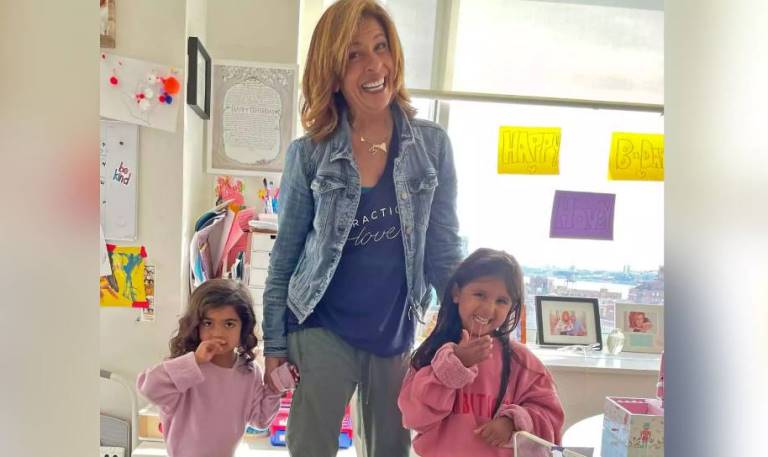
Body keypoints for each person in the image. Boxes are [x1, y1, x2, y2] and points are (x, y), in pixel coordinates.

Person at [261, 1, 463, 456]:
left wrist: (461, 327)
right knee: (311, 448)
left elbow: (443, 249)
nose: (375, 66)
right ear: (331, 70)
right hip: (319, 325)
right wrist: (273, 342)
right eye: (354, 55)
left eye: (380, 47)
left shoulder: (431, 146)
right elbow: (285, 256)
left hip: (395, 331)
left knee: (390, 448)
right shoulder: (309, 153)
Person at [398, 249, 565, 457]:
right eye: (479, 294)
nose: (488, 309)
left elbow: (552, 421)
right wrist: (453, 367)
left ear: (513, 307)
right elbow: (414, 418)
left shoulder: (523, 362)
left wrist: (513, 422)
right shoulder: (431, 352)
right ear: (456, 293)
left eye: (501, 301)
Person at [136, 279, 283, 457]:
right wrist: (195, 360)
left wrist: (275, 388)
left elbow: (260, 420)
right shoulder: (187, 367)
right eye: (208, 323)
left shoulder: (249, 371)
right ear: (196, 326)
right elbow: (148, 388)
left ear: (243, 328)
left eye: (229, 324)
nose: (218, 333)